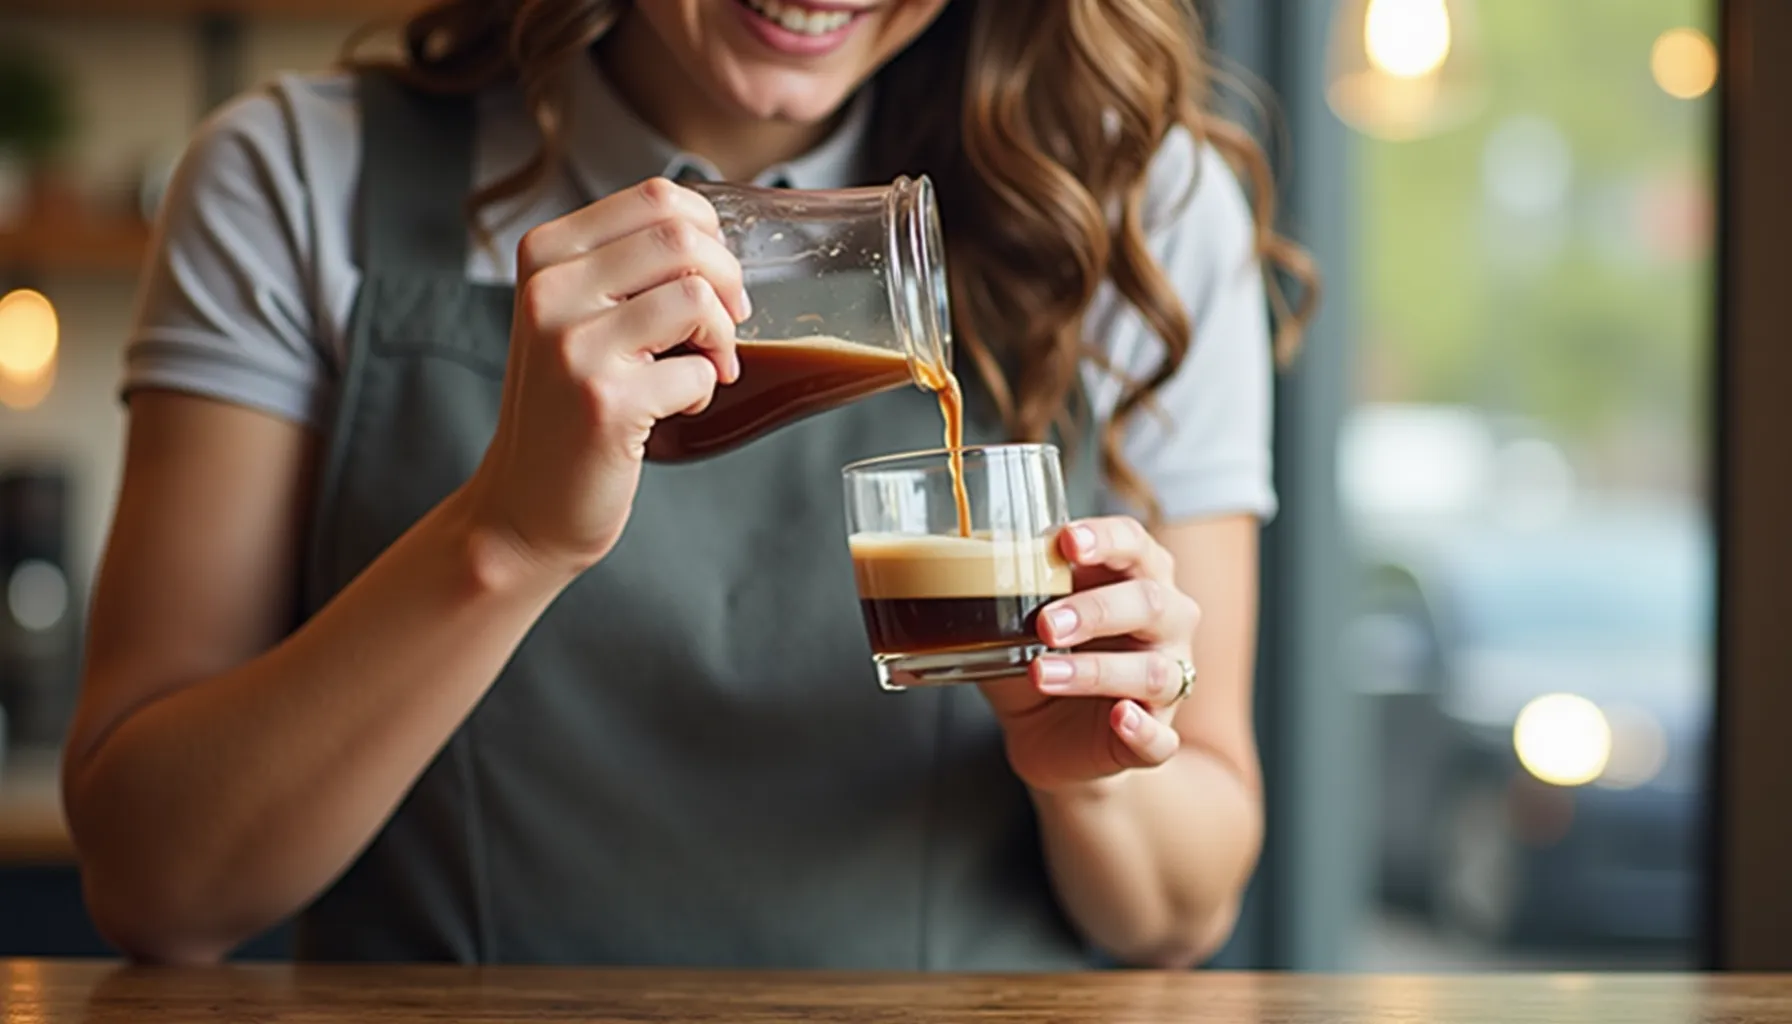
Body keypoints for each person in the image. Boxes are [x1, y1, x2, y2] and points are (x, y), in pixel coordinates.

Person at [61, 0, 1314, 969]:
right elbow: (157, 884)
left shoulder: (1140, 208)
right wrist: (507, 535)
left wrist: (1082, 772)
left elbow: (1183, 911)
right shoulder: (294, 179)